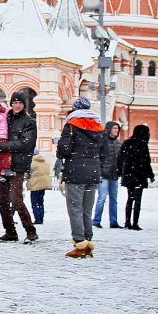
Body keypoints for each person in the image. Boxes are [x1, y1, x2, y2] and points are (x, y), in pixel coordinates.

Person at [56, 97, 103, 258]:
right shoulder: (98, 126)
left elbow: (64, 149)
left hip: (76, 172)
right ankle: (88, 242)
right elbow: (102, 150)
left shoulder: (72, 125)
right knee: (87, 211)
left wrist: (60, 150)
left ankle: (79, 244)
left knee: (75, 209)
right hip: (94, 172)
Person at [0, 90, 39, 243]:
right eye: (14, 102)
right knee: (3, 201)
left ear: (24, 105)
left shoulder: (29, 122)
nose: (17, 105)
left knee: (16, 199)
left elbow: (26, 144)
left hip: (18, 165)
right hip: (4, 164)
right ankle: (10, 231)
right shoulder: (5, 117)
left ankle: (31, 231)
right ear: (11, 104)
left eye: (20, 103)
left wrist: (2, 146)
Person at [119, 125, 155, 230]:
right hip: (140, 175)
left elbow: (121, 158)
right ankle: (135, 223)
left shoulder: (127, 143)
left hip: (129, 175)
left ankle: (127, 222)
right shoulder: (143, 145)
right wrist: (151, 175)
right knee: (138, 200)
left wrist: (121, 172)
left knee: (130, 198)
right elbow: (146, 162)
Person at [92, 121, 123, 229]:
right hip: (103, 174)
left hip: (114, 174)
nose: (116, 130)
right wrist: (99, 172)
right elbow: (97, 157)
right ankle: (96, 221)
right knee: (102, 198)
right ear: (109, 129)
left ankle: (113, 222)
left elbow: (121, 160)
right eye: (114, 128)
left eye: (117, 129)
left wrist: (120, 171)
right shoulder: (102, 142)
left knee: (114, 199)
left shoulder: (119, 143)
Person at [27, 152, 52, 223]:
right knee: (41, 202)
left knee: (35, 202)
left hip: (35, 184)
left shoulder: (32, 162)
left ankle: (37, 219)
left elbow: (28, 173)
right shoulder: (44, 161)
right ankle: (41, 218)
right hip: (43, 184)